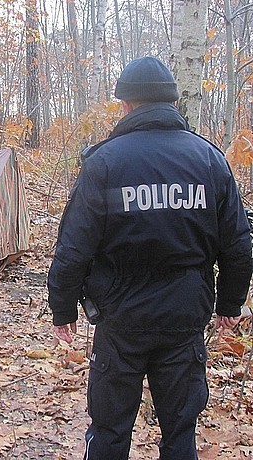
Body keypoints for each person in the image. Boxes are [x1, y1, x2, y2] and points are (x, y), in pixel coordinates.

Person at [47, 56, 252, 460]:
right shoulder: (210, 161)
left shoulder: (104, 162)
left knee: (108, 430)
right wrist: (230, 304)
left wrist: (63, 309)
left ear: (125, 105)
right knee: (180, 433)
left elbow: (73, 248)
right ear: (173, 103)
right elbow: (239, 244)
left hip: (121, 320)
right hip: (184, 318)